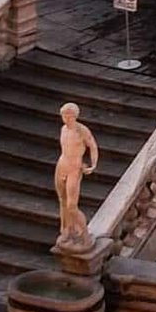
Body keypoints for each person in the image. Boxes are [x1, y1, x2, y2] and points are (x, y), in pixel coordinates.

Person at [54, 102, 99, 250]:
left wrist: (93, 164)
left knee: (72, 206)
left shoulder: (81, 131)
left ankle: (84, 234)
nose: (65, 118)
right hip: (62, 165)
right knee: (62, 200)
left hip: (74, 168)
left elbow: (92, 145)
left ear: (75, 116)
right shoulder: (63, 129)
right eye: (63, 115)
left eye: (68, 115)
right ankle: (67, 229)